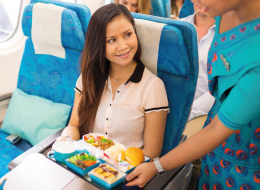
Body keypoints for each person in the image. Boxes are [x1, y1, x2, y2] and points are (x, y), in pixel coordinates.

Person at [125, 0, 260, 189]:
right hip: (214, 148)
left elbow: (216, 130)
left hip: (245, 158)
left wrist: (156, 166)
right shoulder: (221, 10)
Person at [57, 3, 169, 161]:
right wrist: (65, 140)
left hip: (124, 172)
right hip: (85, 163)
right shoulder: (88, 77)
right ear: (98, 45)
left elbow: (151, 153)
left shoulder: (153, 87)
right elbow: (74, 126)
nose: (123, 46)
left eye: (128, 35)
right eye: (111, 40)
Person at [180, 2, 215, 121]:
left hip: (204, 116)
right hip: (169, 109)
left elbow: (219, 89)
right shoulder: (176, 28)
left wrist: (187, 113)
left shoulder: (226, 36)